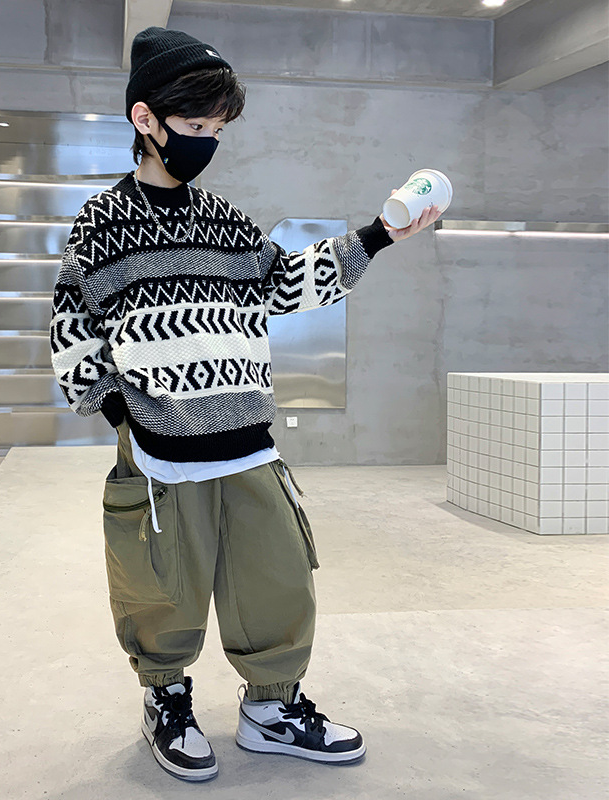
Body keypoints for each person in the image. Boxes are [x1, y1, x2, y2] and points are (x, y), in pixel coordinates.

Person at [50, 26, 441, 783]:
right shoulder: (100, 226)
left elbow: (284, 285)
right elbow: (73, 332)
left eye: (217, 129)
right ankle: (166, 699)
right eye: (195, 125)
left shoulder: (225, 219)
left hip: (249, 440)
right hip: (159, 448)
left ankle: (272, 708)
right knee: (159, 585)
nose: (207, 141)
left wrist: (379, 236)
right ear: (145, 119)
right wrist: (120, 415)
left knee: (276, 577)